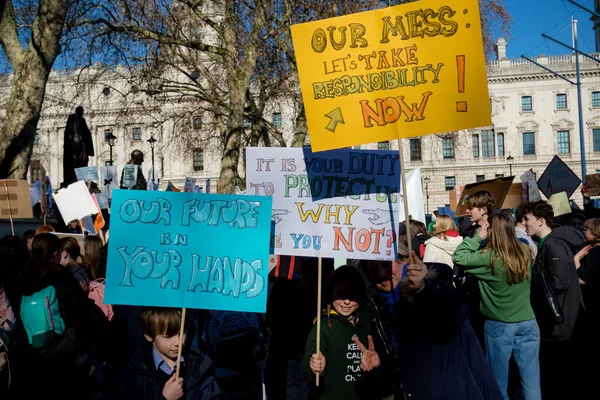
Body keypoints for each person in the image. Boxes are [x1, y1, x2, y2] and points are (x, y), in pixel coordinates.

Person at [362, 245, 503, 400]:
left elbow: (452, 316)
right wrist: (380, 363)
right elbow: (401, 360)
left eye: (386, 265)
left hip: (451, 389)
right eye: (373, 270)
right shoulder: (378, 308)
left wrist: (423, 289)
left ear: (403, 261)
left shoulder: (433, 284)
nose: (382, 274)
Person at [452, 211, 540, 400]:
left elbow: (459, 257)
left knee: (498, 383)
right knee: (531, 380)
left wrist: (477, 238)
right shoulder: (525, 252)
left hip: (499, 324)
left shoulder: (488, 258)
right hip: (528, 322)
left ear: (492, 230)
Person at [12, 233, 109, 399]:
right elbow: (80, 315)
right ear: (56, 253)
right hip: (65, 352)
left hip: (33, 350)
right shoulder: (62, 277)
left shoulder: (22, 277)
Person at [523, 201, 584, 400]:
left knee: (560, 377)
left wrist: (531, 286)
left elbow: (559, 282)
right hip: (559, 320)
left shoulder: (553, 244)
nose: (524, 224)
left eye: (527, 219)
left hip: (560, 321)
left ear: (541, 221)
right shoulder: (549, 243)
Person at [119, 307, 221, 400]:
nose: (179, 342)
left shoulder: (199, 365)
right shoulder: (135, 370)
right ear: (149, 336)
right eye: (168, 336)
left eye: (182, 333)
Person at [302, 266, 372, 400]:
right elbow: (308, 361)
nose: (346, 301)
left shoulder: (367, 324)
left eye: (352, 295)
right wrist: (314, 365)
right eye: (340, 293)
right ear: (331, 293)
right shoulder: (324, 327)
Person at [63, 106, 94, 185]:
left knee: (84, 160)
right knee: (75, 161)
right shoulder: (72, 118)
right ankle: (75, 177)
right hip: (74, 145)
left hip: (83, 145)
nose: (82, 113)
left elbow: (86, 131)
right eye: (80, 111)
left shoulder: (82, 120)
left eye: (82, 112)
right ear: (77, 111)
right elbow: (68, 131)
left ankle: (82, 177)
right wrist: (71, 141)